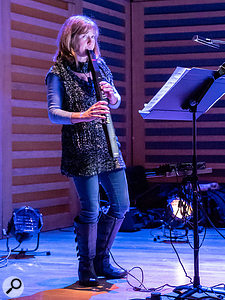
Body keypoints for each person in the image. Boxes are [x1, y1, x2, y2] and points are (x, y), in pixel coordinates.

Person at [46, 15, 130, 287]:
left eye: (94, 37)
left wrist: (113, 95)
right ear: (71, 39)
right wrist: (82, 115)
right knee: (91, 209)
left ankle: (101, 260)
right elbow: (53, 113)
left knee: (121, 205)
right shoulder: (57, 73)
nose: (92, 42)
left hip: (108, 144)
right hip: (81, 148)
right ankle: (86, 267)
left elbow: (115, 102)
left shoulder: (100, 65)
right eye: (87, 37)